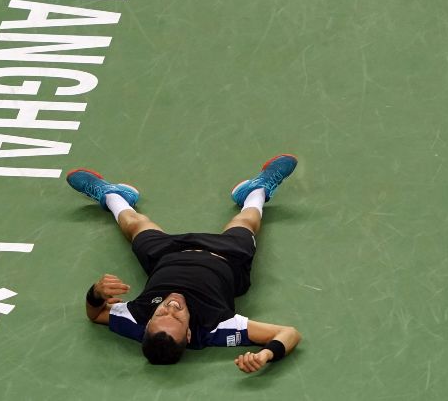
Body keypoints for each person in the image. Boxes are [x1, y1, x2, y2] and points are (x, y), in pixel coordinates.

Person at [67, 154, 302, 373]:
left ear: (147, 326)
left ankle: (110, 194)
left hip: (165, 256)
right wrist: (266, 355)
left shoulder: (137, 319)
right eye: (178, 318)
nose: (172, 306)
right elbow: (288, 333)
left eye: (160, 314)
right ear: (189, 334)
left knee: (135, 225)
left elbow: (96, 315)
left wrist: (96, 293)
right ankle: (257, 189)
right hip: (225, 256)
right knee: (246, 221)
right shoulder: (216, 327)